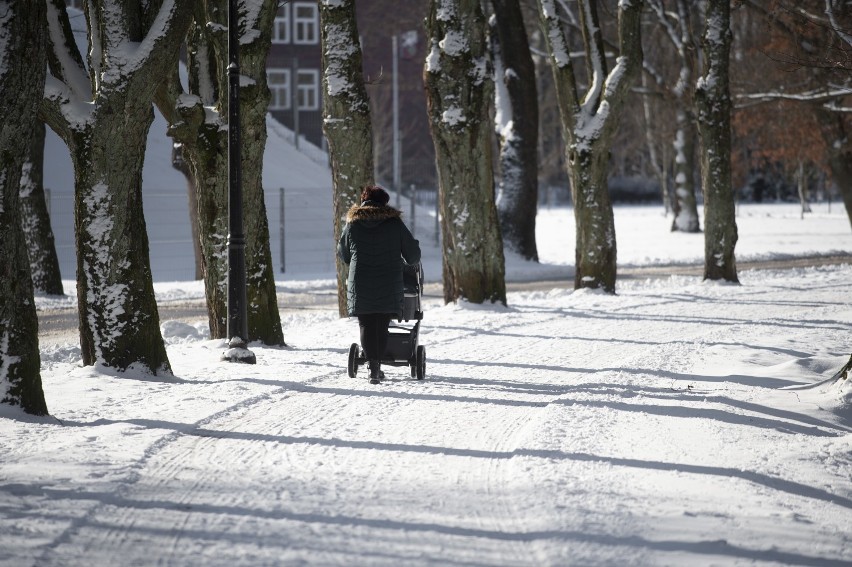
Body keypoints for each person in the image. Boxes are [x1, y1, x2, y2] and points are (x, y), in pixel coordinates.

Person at [338, 185, 421, 384]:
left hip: (361, 278)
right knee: (382, 322)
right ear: (384, 202)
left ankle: (372, 366)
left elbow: (344, 254)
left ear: (364, 200)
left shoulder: (353, 223)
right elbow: (412, 256)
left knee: (366, 322)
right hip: (388, 279)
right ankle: (376, 368)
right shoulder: (394, 224)